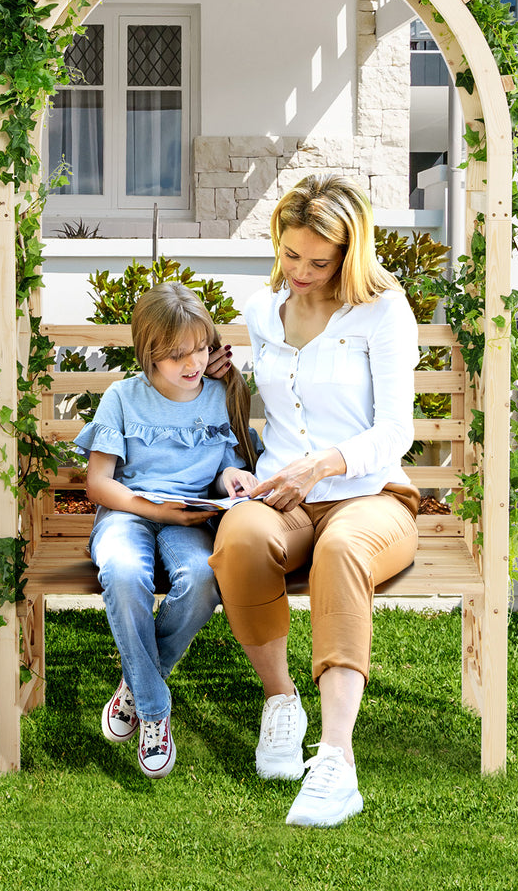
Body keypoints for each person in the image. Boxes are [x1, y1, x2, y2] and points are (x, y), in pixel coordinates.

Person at [207, 173, 420, 827]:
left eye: (319, 262)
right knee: (240, 539)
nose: (300, 273)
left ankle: (336, 760)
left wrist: (322, 465)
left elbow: (397, 431)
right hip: (283, 493)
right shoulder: (262, 310)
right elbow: (279, 401)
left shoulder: (383, 312)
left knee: (341, 550)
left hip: (370, 494)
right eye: (290, 254)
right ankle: (282, 702)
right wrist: (225, 385)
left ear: (349, 256)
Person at [75, 281, 257, 779]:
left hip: (191, 515)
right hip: (128, 512)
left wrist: (231, 476)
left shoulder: (219, 397)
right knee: (122, 571)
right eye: (177, 355)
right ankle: (154, 710)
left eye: (199, 348)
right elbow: (98, 484)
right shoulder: (123, 397)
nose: (192, 363)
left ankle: (134, 685)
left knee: (203, 576)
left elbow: (224, 465)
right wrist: (159, 512)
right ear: (149, 353)